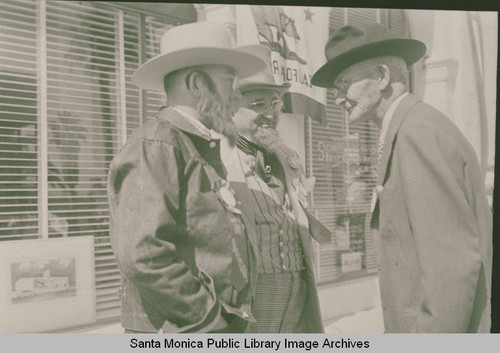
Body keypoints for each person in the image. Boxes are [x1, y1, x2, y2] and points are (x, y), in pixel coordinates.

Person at [311, 23, 492, 333]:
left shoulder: (415, 134)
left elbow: (449, 272)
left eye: (343, 85)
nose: (338, 99)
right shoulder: (412, 126)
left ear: (382, 76)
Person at [107, 22, 266, 333]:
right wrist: (207, 315)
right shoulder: (156, 144)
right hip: (183, 328)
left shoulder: (192, 142)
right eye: (229, 82)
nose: (238, 95)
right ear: (196, 84)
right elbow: (143, 254)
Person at [231, 45, 331, 332]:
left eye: (274, 104)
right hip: (252, 295)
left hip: (298, 290)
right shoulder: (220, 159)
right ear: (231, 106)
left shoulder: (288, 156)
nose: (269, 113)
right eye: (258, 104)